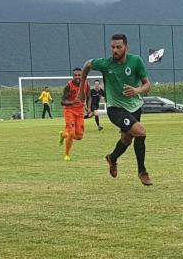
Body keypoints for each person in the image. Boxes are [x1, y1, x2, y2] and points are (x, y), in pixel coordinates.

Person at [78, 33, 153, 186]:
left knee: (126, 139)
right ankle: (142, 171)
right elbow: (87, 64)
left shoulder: (136, 61)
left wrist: (137, 90)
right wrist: (81, 89)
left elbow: (147, 85)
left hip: (134, 107)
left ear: (126, 47)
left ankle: (112, 158)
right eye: (113, 47)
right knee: (141, 132)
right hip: (115, 108)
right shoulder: (106, 64)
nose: (115, 50)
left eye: (118, 47)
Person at [58, 68, 90, 162]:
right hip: (69, 111)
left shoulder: (86, 84)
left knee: (79, 137)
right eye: (75, 75)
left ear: (82, 76)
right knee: (71, 132)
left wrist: (89, 107)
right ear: (72, 76)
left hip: (80, 112)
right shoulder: (68, 86)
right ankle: (67, 155)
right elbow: (62, 101)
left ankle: (63, 135)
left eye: (79, 75)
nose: (77, 77)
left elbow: (89, 96)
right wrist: (72, 102)